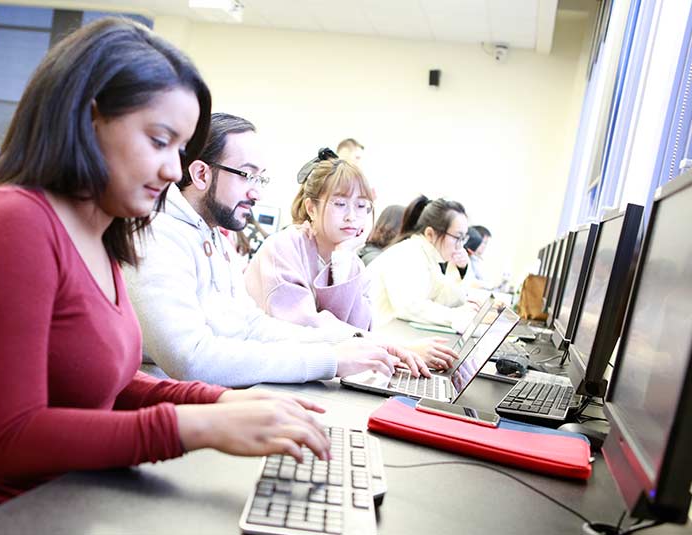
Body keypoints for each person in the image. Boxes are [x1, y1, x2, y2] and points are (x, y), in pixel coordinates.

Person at [0, 20, 330, 534]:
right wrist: (195, 426)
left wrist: (223, 401)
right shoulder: (11, 223)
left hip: (76, 498)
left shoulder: (103, 228)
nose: (175, 171)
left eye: (180, 150)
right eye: (160, 141)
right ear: (88, 120)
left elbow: (104, 381)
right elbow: (12, 437)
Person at [125, 113, 428, 388]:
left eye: (260, 178)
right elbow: (190, 358)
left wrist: (357, 341)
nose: (256, 191)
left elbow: (251, 325)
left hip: (208, 400)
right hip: (166, 413)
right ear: (202, 175)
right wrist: (331, 360)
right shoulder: (156, 234)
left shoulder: (213, 236)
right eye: (246, 175)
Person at [243, 154, 457, 370]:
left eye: (362, 206)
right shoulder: (284, 247)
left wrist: (343, 262)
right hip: (268, 373)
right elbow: (306, 327)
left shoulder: (352, 261)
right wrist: (394, 348)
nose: (352, 216)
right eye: (340, 204)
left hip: (320, 372)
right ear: (311, 208)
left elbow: (360, 330)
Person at [366, 196, 479, 331]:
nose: (460, 246)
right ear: (430, 234)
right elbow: (411, 307)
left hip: (392, 333)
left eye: (463, 238)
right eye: (457, 238)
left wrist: (461, 268)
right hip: (374, 335)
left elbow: (442, 299)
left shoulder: (429, 257)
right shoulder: (408, 254)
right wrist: (457, 316)